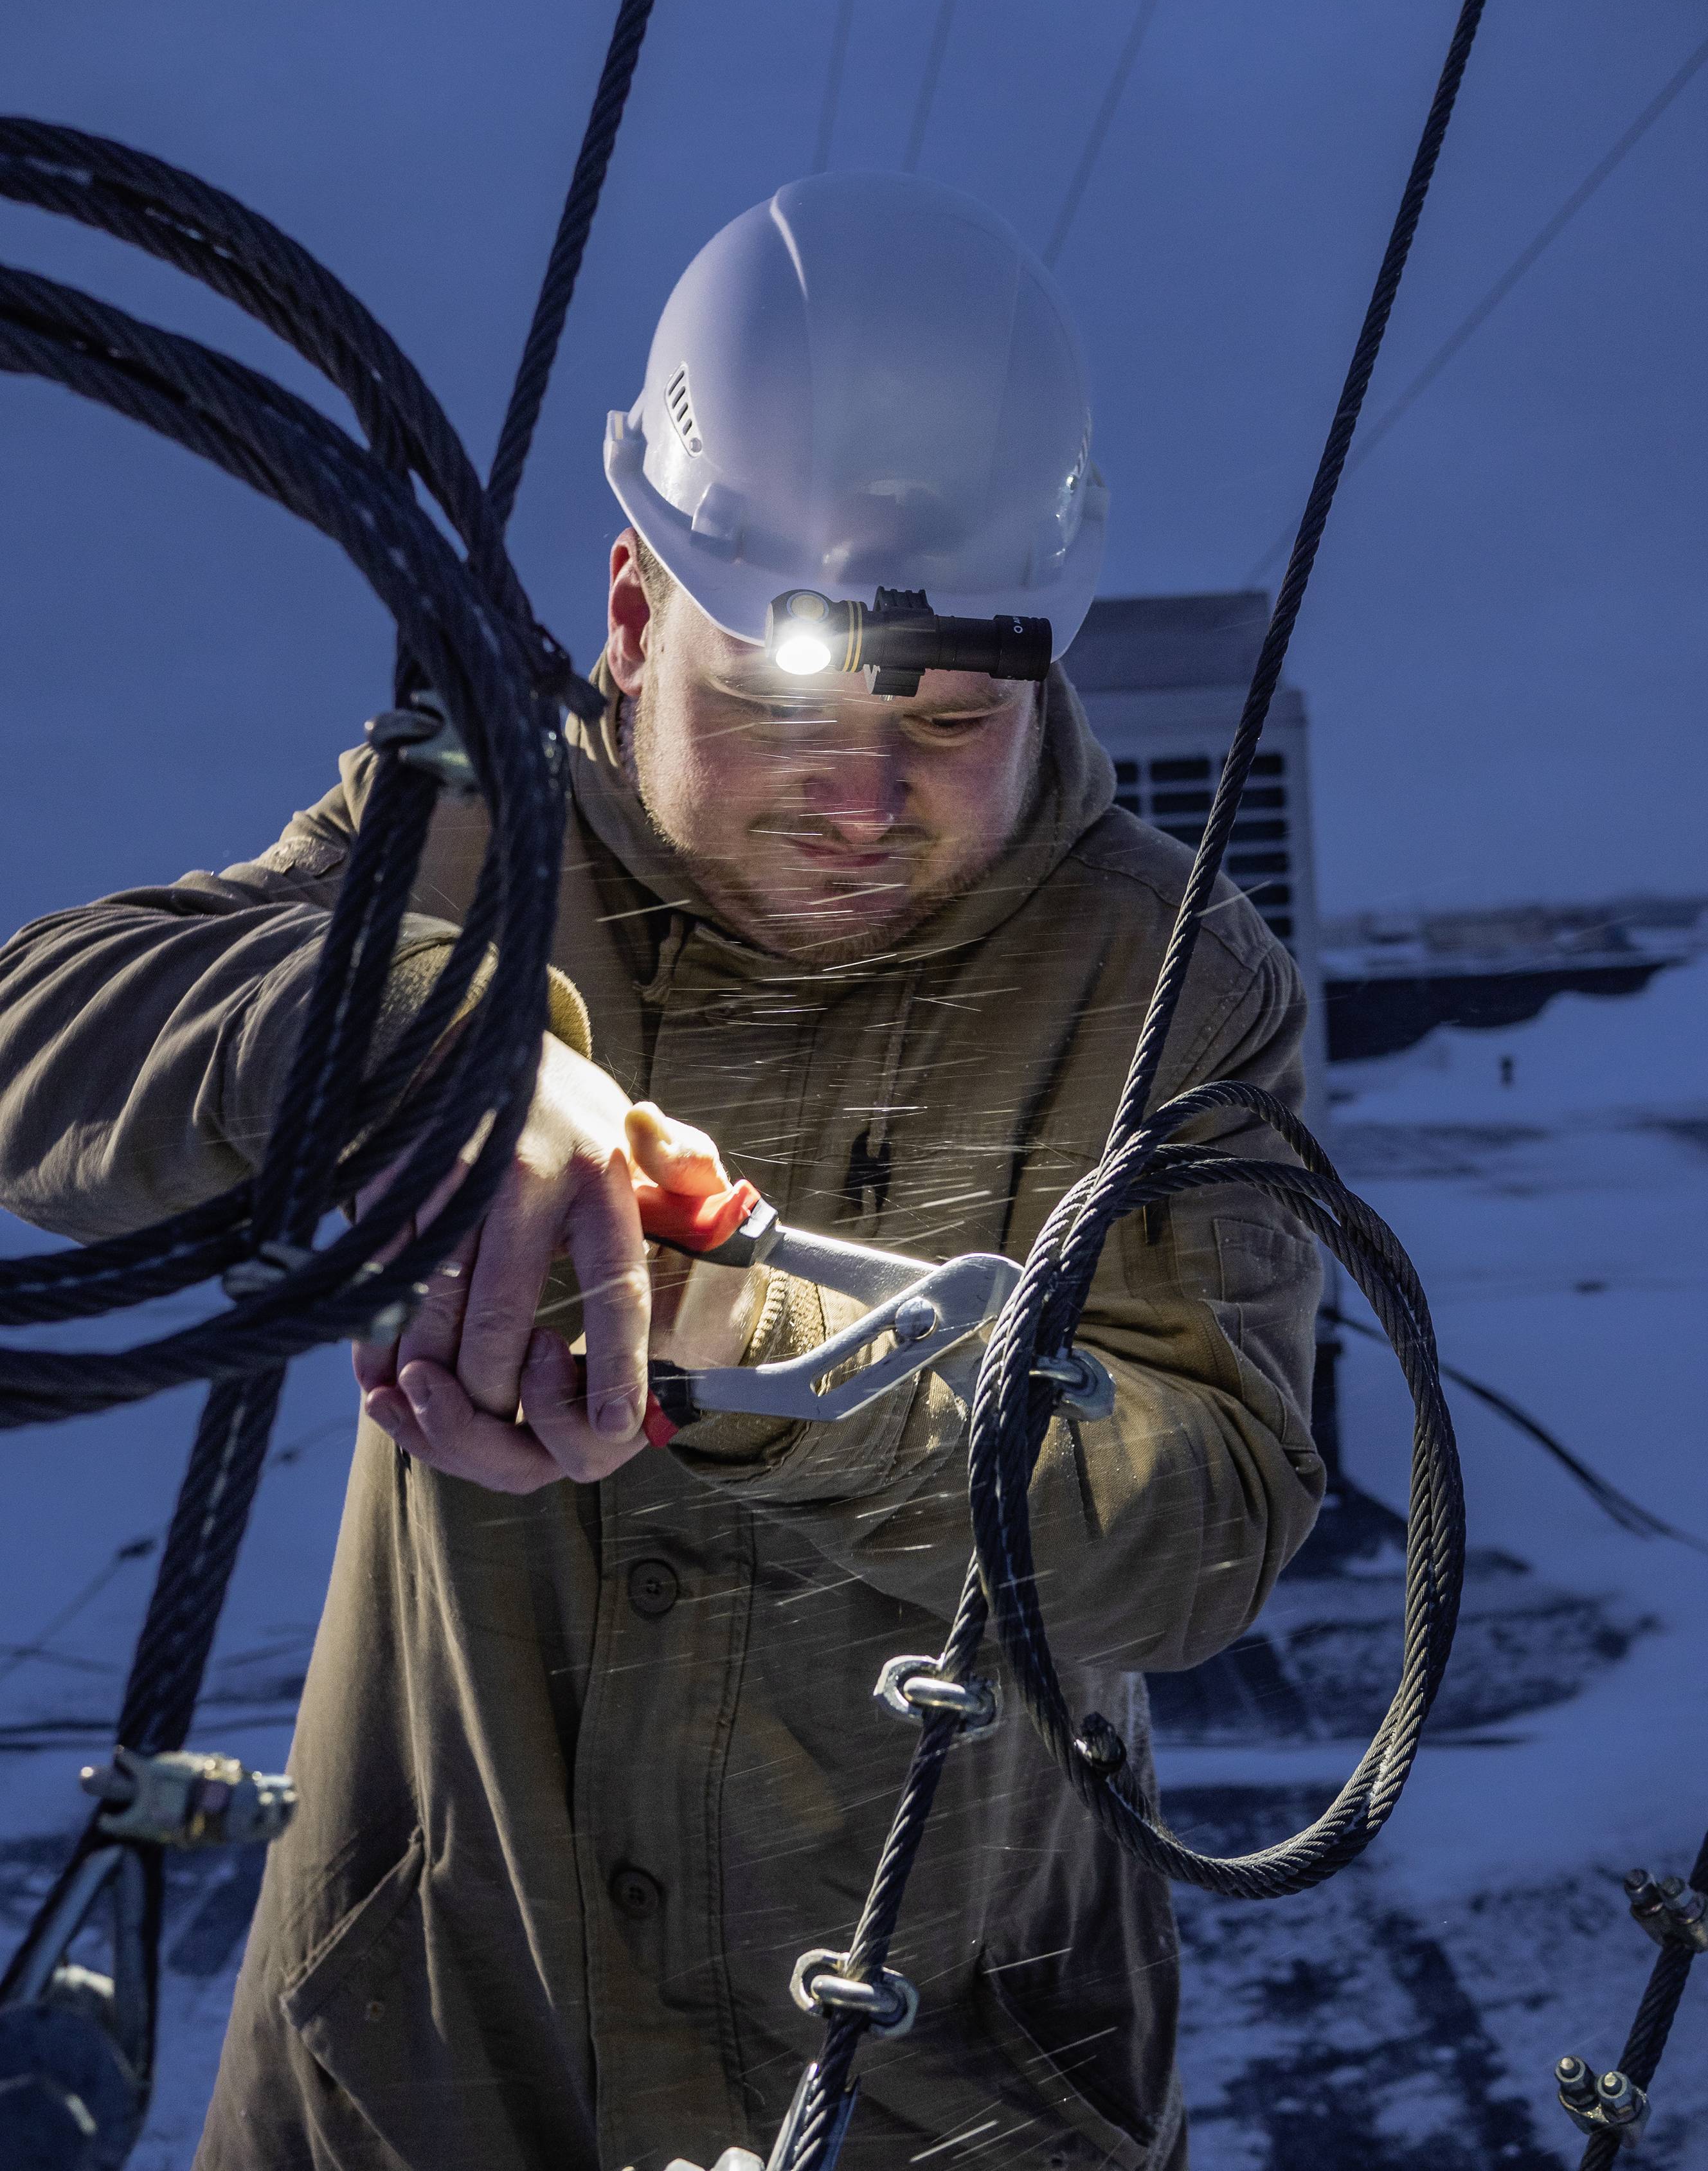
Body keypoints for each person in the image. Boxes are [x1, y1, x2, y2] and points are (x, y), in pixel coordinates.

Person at [0, 171, 1324, 2171]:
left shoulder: (1172, 984)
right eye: (783, 703)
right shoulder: (471, 830)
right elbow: (47, 1027)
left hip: (948, 2093)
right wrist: (423, 1056)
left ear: (1048, 666)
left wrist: (729, 1330)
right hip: (423, 2062)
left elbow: (1205, 1526)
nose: (863, 800)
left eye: (949, 717)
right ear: (634, 614)